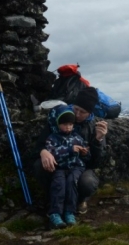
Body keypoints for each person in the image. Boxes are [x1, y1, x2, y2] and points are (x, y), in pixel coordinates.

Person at [34, 87, 108, 215]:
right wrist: (43, 151)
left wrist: (98, 141)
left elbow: (96, 162)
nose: (77, 115)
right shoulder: (60, 117)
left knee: (87, 182)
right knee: (40, 165)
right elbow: (41, 143)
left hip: (79, 167)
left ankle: (80, 200)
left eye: (83, 112)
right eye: (76, 109)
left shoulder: (94, 127)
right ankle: (53, 199)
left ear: (90, 112)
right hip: (59, 164)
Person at [44, 105, 89, 228]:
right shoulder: (52, 138)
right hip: (59, 168)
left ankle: (70, 212)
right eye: (64, 124)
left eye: (70, 124)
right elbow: (52, 154)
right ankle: (55, 213)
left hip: (75, 167)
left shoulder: (77, 137)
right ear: (58, 124)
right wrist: (70, 149)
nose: (68, 127)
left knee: (71, 184)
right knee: (59, 186)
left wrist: (85, 152)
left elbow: (86, 155)